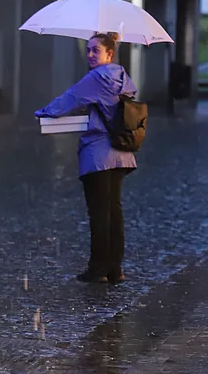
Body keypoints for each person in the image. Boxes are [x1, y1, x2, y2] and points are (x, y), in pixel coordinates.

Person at [34, 32, 138, 285]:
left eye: (96, 50)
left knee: (99, 213)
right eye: (88, 50)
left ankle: (98, 269)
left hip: (98, 154)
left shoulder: (96, 77)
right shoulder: (122, 77)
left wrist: (43, 113)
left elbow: (69, 99)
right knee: (114, 211)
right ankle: (115, 268)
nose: (90, 55)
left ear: (109, 53)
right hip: (122, 154)